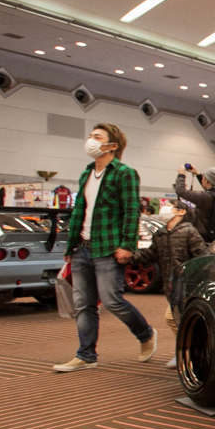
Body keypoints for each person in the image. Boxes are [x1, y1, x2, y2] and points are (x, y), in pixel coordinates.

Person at [55, 123, 155, 371]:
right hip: (82, 247)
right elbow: (80, 211)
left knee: (111, 301)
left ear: (112, 145)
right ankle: (86, 355)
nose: (90, 140)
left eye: (97, 137)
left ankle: (145, 334)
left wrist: (127, 246)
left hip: (108, 248)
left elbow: (131, 211)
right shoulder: (86, 173)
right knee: (83, 304)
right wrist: (71, 246)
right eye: (90, 136)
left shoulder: (124, 173)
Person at [131, 203, 209, 369]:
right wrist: (129, 256)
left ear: (181, 212)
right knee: (178, 319)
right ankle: (188, 352)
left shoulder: (188, 232)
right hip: (170, 286)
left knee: (174, 318)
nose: (165, 209)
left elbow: (202, 257)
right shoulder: (160, 233)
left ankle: (188, 353)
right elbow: (150, 254)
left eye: (171, 206)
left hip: (185, 285)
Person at [174, 166, 215, 243]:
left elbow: (180, 191)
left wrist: (181, 175)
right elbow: (209, 189)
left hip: (202, 237)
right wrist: (197, 174)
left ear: (206, 180)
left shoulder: (205, 197)